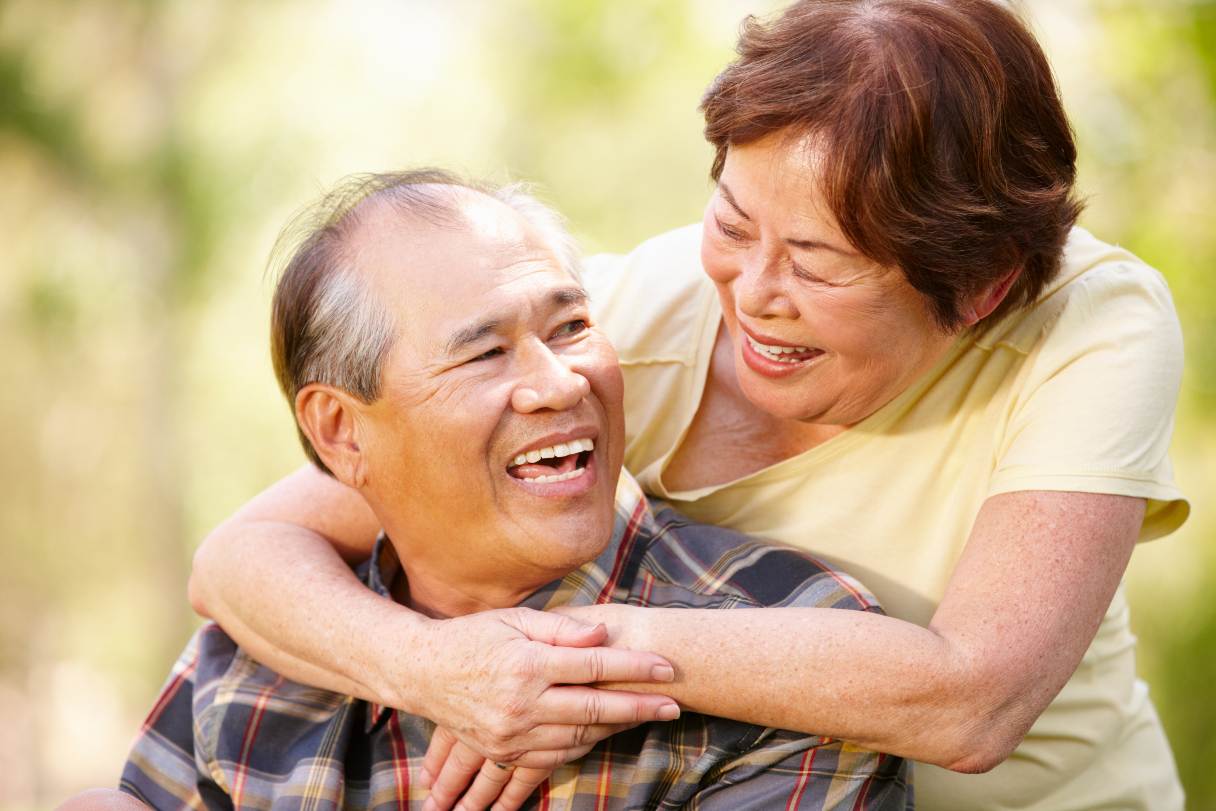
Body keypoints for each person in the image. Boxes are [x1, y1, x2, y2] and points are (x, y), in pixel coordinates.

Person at [187, 1, 1189, 809]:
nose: (752, 291)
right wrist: (435, 667)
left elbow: (974, 698)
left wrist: (556, 665)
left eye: (817, 263)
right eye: (733, 220)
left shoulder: (1089, 324)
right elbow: (240, 559)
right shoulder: (611, 329)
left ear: (979, 287)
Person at [98, 171, 908, 811]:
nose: (559, 383)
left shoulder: (798, 658)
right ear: (342, 431)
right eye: (484, 352)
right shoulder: (262, 648)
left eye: (571, 327)